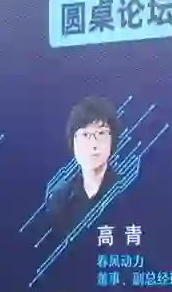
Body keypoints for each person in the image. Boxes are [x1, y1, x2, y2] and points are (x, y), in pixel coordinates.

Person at [45, 96, 120, 241]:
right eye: (85, 135)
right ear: (73, 141)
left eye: (101, 133)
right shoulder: (60, 198)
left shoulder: (125, 191)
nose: (93, 144)